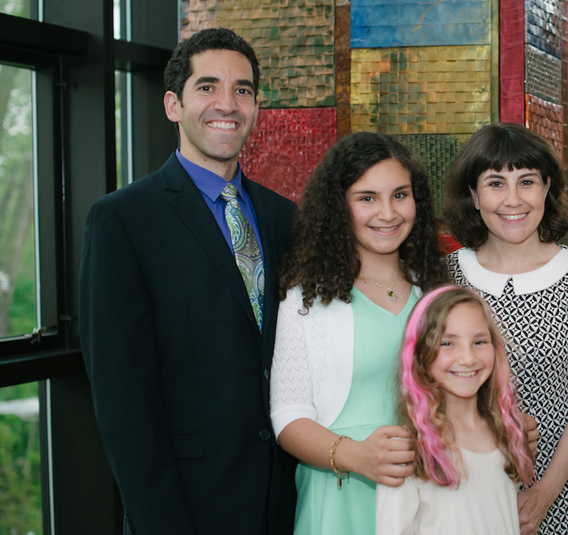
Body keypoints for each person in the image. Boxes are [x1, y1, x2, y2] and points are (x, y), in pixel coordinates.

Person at [78, 28, 297, 535]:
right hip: (187, 509)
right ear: (173, 104)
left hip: (285, 500)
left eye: (242, 90)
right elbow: (122, 399)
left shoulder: (284, 217)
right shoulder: (122, 221)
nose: (228, 103)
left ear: (257, 107)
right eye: (207, 87)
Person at [443, 122, 568, 535]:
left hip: (564, 494)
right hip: (462, 493)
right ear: (474, 195)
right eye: (495, 183)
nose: (513, 200)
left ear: (547, 187)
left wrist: (544, 493)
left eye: (526, 181)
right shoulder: (444, 278)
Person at [268, 131, 448, 534]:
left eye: (400, 195)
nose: (388, 212)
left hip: (427, 497)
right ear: (338, 208)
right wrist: (358, 456)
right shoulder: (305, 300)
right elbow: (288, 417)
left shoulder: (436, 293)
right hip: (340, 497)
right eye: (367, 198)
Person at [375, 285, 535, 535]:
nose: (468, 358)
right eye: (448, 343)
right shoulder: (406, 451)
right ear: (420, 356)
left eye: (479, 342)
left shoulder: (507, 434)